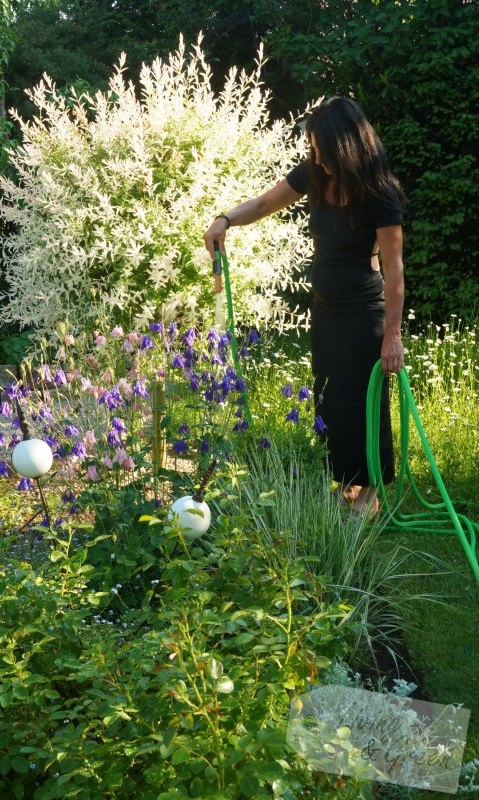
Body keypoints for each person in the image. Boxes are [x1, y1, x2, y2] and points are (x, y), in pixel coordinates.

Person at [203, 97, 405, 516]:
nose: (315, 157)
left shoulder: (379, 194)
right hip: (326, 310)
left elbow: (395, 271)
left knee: (363, 400)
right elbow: (262, 203)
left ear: (346, 147)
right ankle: (346, 483)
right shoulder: (314, 174)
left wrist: (392, 336)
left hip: (364, 312)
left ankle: (369, 495)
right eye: (312, 148)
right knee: (330, 398)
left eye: (322, 149)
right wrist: (224, 219)